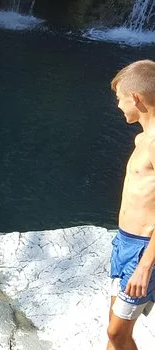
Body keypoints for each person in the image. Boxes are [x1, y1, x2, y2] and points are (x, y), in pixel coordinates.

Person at [107, 59, 155, 350]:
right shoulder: (142, 139)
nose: (118, 105)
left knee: (116, 333)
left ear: (136, 98)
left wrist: (145, 266)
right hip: (124, 243)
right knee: (114, 332)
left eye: (120, 98)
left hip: (143, 251)